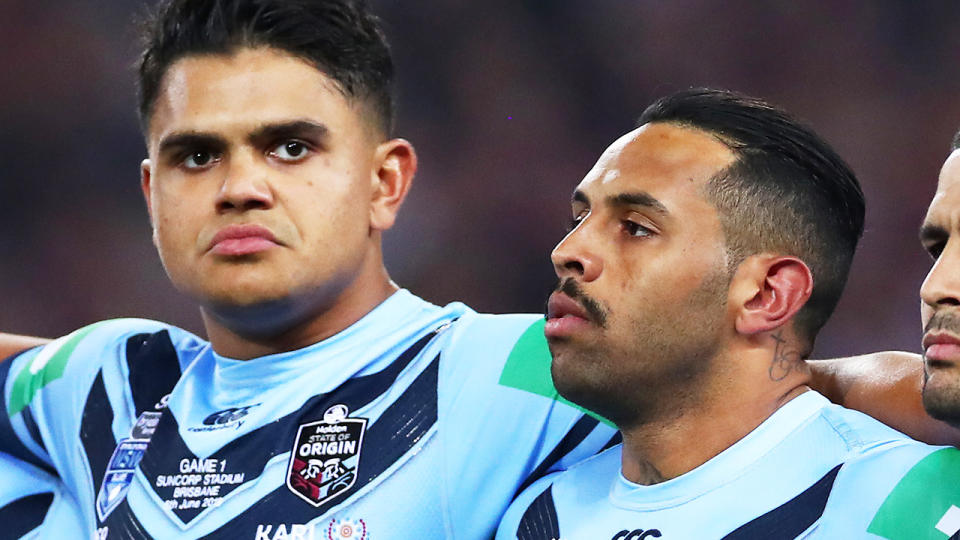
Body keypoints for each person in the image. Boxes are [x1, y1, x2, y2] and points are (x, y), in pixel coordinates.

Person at [0, 1, 617, 538]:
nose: (240, 187)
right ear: (150, 194)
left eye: (291, 147)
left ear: (386, 182)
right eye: (197, 155)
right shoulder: (106, 383)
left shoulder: (510, 372)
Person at [497, 88, 959, 539]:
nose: (567, 252)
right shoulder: (534, 515)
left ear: (766, 294)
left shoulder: (909, 506)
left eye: (636, 228)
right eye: (579, 220)